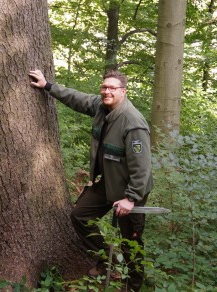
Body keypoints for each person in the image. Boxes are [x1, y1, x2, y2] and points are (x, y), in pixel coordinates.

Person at [29, 69, 153, 291]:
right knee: (80, 216)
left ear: (123, 91)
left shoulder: (133, 123)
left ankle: (132, 286)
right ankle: (108, 260)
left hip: (129, 191)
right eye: (104, 87)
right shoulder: (100, 107)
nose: (107, 91)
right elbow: (76, 98)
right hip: (107, 183)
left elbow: (142, 167)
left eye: (112, 88)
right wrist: (48, 85)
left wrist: (131, 199)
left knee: (130, 242)